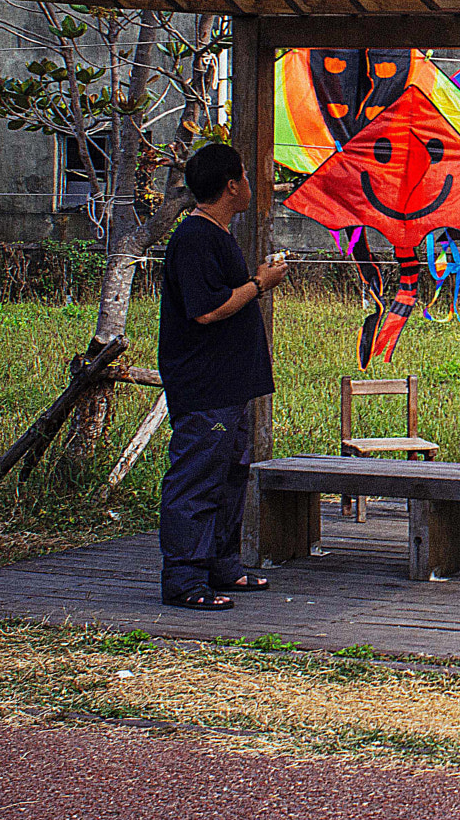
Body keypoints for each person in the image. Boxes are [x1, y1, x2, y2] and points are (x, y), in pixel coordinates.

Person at [158, 143, 287, 610]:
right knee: (197, 477)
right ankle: (184, 578)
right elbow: (207, 310)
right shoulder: (193, 238)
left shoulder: (218, 234)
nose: (253, 186)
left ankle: (221, 565)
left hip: (232, 383)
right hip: (205, 384)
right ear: (232, 186)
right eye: (247, 178)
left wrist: (253, 279)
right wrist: (260, 285)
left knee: (231, 474)